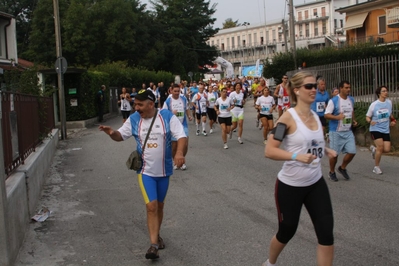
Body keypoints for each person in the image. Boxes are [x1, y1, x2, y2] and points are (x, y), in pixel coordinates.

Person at [99, 89, 187, 260]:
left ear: (151, 104)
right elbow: (120, 136)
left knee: (159, 206)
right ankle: (153, 245)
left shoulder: (167, 116)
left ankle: (157, 235)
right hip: (145, 171)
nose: (136, 107)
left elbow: (181, 135)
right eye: (135, 104)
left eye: (139, 104)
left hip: (164, 170)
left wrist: (179, 153)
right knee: (151, 206)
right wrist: (111, 133)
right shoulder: (133, 119)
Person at [263, 71, 336, 266]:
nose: (314, 89)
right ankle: (270, 263)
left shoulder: (315, 116)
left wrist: (325, 149)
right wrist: (296, 156)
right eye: (309, 86)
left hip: (315, 183)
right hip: (290, 185)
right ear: (296, 90)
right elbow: (270, 151)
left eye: (315, 85)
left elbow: (309, 142)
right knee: (287, 229)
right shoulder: (287, 118)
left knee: (326, 233)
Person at [324, 80, 358, 182]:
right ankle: (331, 172)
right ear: (341, 89)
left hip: (347, 131)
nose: (348, 89)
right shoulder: (333, 101)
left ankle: (342, 168)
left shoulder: (351, 99)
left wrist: (354, 120)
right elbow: (326, 115)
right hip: (336, 132)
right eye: (346, 88)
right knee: (334, 155)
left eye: (349, 87)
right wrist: (337, 117)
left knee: (352, 152)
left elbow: (351, 111)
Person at [366, 86, 397, 174]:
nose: (386, 92)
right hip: (375, 128)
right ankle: (376, 167)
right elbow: (367, 117)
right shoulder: (374, 104)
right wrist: (370, 121)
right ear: (379, 93)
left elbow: (390, 114)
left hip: (385, 129)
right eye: (383, 91)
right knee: (380, 147)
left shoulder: (389, 103)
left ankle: (374, 150)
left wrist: (393, 121)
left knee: (387, 149)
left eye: (386, 91)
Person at [163, 84, 193, 170]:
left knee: (185, 144)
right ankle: (175, 161)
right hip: (172, 126)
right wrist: (171, 114)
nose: (177, 93)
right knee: (174, 146)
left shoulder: (183, 99)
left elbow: (186, 108)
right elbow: (163, 114)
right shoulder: (168, 101)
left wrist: (189, 115)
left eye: (178, 91)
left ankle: (182, 160)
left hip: (183, 124)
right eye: (175, 91)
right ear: (171, 91)